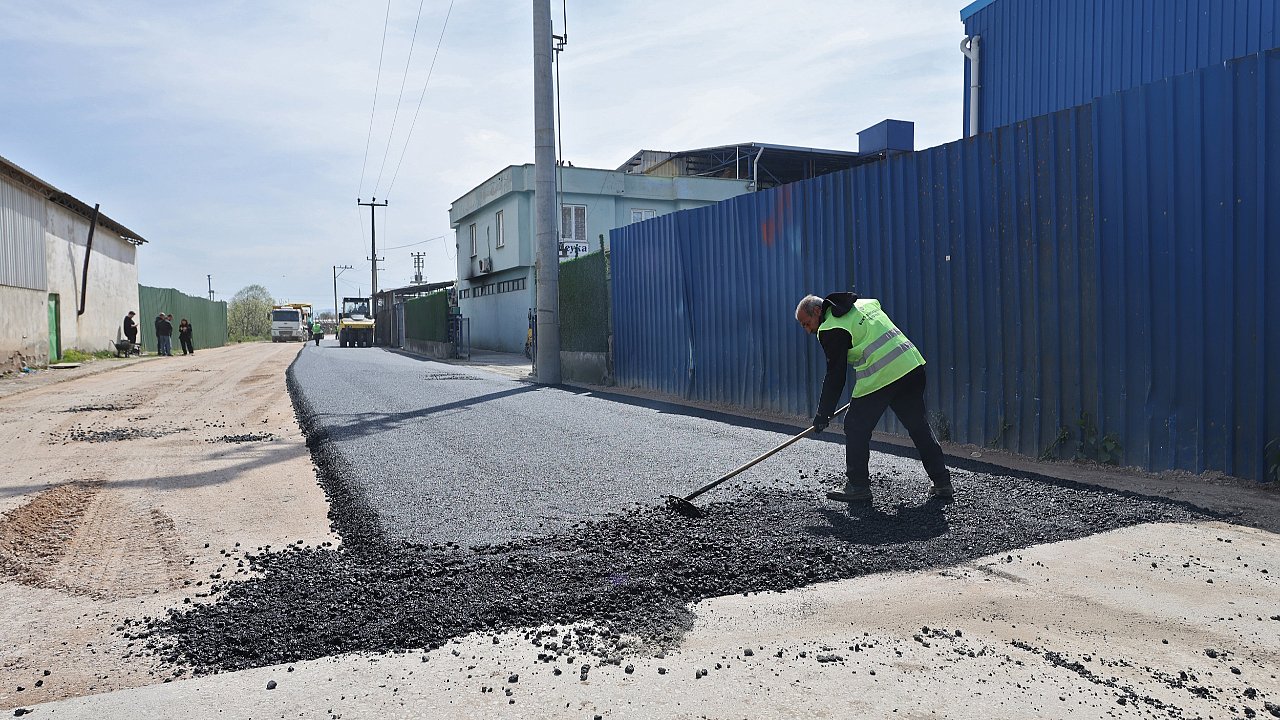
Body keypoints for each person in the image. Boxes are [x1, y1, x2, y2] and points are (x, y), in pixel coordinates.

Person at [794, 292, 953, 503]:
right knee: (918, 425)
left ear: (817, 311)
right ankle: (942, 483)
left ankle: (857, 486)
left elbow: (836, 375)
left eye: (807, 324)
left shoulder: (830, 328)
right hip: (910, 365)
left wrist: (823, 413)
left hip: (883, 374)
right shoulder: (864, 304)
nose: (808, 330)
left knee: (855, 425)